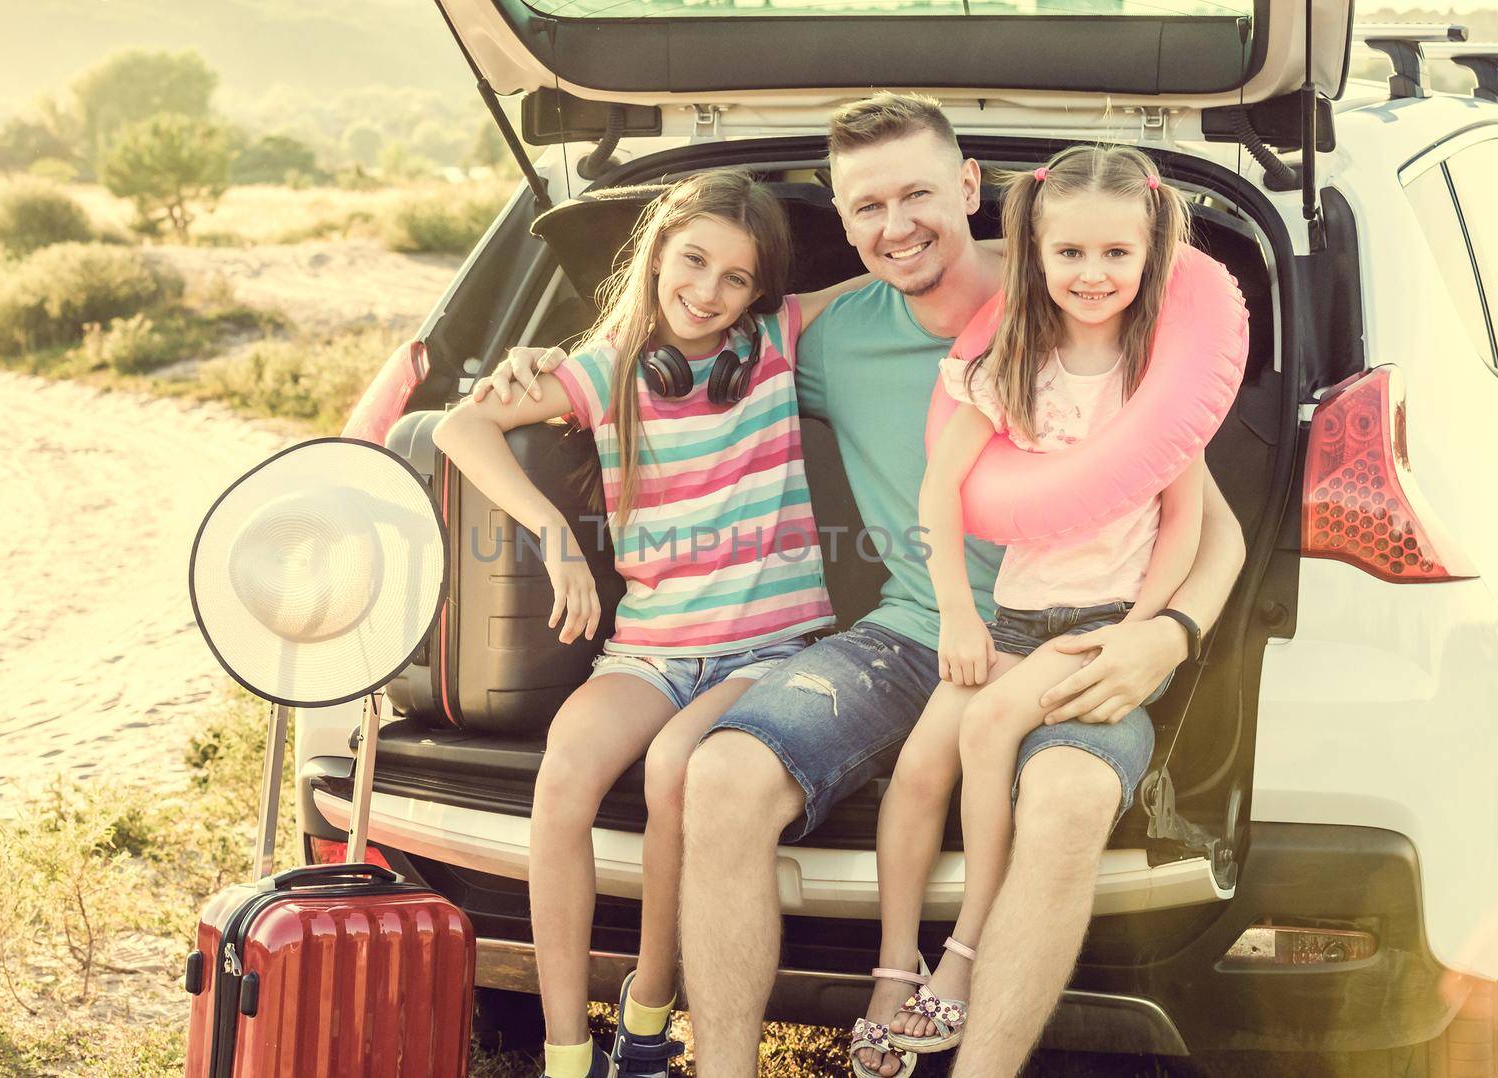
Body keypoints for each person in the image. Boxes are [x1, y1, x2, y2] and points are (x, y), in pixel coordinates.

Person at [475, 93, 1246, 1078]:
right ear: (841, 223)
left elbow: (1208, 520)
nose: (897, 225)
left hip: (1079, 636)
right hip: (910, 633)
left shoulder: (1078, 303)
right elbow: (673, 352)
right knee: (719, 771)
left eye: (919, 193)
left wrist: (1165, 636)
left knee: (1063, 798)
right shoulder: (830, 341)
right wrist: (540, 364)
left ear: (970, 188)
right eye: (867, 207)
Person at [433, 169, 859, 1078]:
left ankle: (650, 1013)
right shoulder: (605, 369)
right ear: (658, 250)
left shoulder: (778, 342)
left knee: (675, 773)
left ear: (760, 292)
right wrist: (553, 533)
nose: (707, 292)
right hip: (652, 652)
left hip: (769, 650)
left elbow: (900, 275)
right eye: (693, 260)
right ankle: (565, 1051)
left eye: (736, 278)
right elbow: (458, 431)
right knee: (564, 778)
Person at [856, 145, 1205, 1076]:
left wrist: (1143, 628)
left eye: (1115, 256)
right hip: (1011, 617)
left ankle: (966, 952)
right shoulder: (1015, 360)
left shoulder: (1158, 376)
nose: (1093, 277)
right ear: (1036, 255)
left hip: (1100, 620)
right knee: (921, 766)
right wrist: (958, 615)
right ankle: (896, 968)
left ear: (1151, 252)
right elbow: (942, 488)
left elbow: (1189, 522)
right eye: (1071, 256)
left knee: (989, 732)